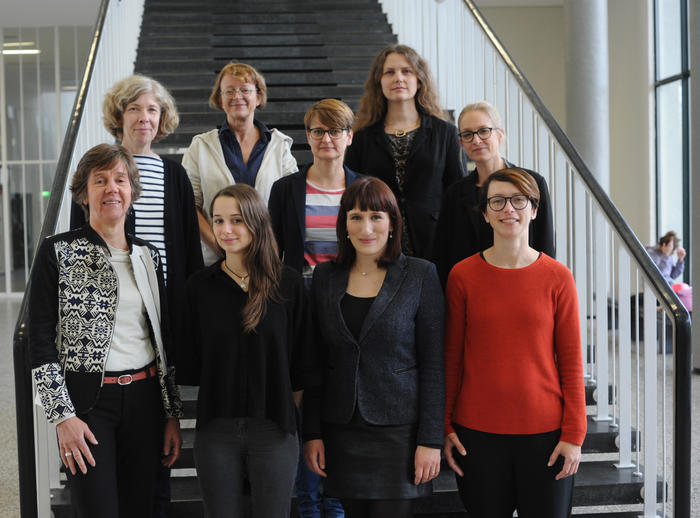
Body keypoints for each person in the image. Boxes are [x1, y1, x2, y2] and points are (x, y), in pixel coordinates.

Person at [70, 74, 203, 516]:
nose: (144, 118)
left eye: (152, 110)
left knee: (153, 468)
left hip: (160, 312)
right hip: (111, 312)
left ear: (161, 119)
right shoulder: (98, 173)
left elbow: (186, 249)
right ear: (119, 116)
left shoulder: (174, 174)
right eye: (135, 109)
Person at [28, 144, 183, 518]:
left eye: (120, 179)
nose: (112, 188)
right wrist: (62, 416)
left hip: (146, 401)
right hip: (88, 406)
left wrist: (171, 412)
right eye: (100, 181)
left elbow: (160, 341)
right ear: (84, 194)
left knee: (140, 508)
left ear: (132, 191)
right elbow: (39, 339)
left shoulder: (149, 255)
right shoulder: (57, 252)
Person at [443, 168, 586, 518]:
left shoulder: (558, 277)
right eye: (498, 201)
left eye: (519, 200)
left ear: (534, 210)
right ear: (485, 213)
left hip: (547, 435)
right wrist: (444, 426)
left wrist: (575, 434)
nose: (509, 209)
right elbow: (452, 358)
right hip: (476, 434)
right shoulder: (462, 275)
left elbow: (571, 360)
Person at [303, 177, 444, 518]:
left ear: (393, 224)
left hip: (400, 433)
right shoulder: (324, 277)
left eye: (376, 216)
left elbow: (434, 364)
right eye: (356, 217)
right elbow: (315, 362)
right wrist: (312, 433)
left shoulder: (420, 275)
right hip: (342, 428)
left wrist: (431, 440)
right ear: (344, 225)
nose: (366, 227)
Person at [178, 184, 310, 518]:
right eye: (218, 221)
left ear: (256, 223)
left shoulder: (288, 283)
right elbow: (190, 363)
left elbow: (303, 361)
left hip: (274, 427)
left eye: (236, 220)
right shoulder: (199, 287)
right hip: (216, 428)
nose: (225, 230)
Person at [269, 98, 360, 518]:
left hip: (350, 306)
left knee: (341, 404)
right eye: (318, 131)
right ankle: (308, 505)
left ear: (349, 136)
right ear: (308, 137)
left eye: (335, 131)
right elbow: (272, 255)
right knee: (305, 407)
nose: (327, 139)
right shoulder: (286, 188)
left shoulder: (362, 188)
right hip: (300, 309)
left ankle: (337, 502)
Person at [344, 44, 464, 260]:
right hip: (378, 246)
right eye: (389, 72)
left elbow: (456, 193)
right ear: (379, 82)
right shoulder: (361, 138)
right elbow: (353, 195)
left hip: (435, 244)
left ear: (419, 80)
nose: (398, 78)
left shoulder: (445, 133)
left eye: (406, 71)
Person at [182, 61, 298, 265]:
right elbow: (190, 205)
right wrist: (219, 246)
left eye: (245, 90)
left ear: (258, 96)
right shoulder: (200, 146)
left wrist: (269, 248)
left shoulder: (279, 146)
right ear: (220, 98)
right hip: (215, 261)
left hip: (267, 260)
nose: (237, 96)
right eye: (229, 91)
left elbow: (291, 203)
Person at [433, 101, 554, 286]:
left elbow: (545, 246)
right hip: (471, 291)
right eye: (467, 134)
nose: (476, 140)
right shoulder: (454, 194)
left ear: (500, 134)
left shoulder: (532, 183)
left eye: (483, 131)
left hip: (524, 286)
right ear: (461, 142)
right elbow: (443, 255)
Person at [646, 230, 692, 311]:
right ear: (664, 244)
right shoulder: (651, 252)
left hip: (669, 285)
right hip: (657, 286)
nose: (672, 252)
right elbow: (653, 271)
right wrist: (664, 255)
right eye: (671, 248)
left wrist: (680, 260)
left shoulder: (668, 255)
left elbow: (673, 275)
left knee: (686, 290)